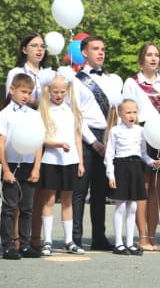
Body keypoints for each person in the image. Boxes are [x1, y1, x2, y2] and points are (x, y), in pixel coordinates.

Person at [123, 42, 160, 251]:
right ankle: (142, 237)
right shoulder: (132, 82)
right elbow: (129, 112)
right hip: (143, 135)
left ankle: (153, 236)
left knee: (156, 189)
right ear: (141, 58)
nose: (153, 58)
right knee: (143, 189)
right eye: (149, 55)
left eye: (156, 55)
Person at [72, 36, 123, 250]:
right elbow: (76, 116)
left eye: (103, 49)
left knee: (100, 191)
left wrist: (113, 139)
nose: (101, 52)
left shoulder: (113, 80)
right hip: (86, 138)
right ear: (84, 52)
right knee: (80, 190)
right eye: (95, 49)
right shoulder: (76, 81)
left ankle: (99, 237)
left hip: (108, 134)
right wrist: (93, 142)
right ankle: (74, 237)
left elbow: (116, 111)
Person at [5, 33, 48, 250]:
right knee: (12, 202)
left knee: (31, 200)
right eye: (34, 45)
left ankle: (29, 240)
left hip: (36, 146)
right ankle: (10, 242)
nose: (39, 50)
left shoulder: (48, 74)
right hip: (16, 148)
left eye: (42, 46)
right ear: (24, 49)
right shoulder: (17, 73)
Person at [36, 67, 85, 256]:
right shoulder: (44, 110)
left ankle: (68, 240)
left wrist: (80, 162)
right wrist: (56, 144)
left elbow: (77, 137)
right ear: (49, 90)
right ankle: (47, 240)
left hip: (70, 160)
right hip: (50, 160)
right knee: (48, 199)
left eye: (62, 92)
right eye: (55, 91)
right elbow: (41, 138)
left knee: (67, 200)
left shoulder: (71, 110)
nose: (58, 95)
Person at [104, 98, 160, 255]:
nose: (132, 115)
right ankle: (119, 243)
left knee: (133, 206)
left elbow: (142, 153)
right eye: (128, 112)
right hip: (121, 167)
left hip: (136, 168)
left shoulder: (141, 131)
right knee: (121, 205)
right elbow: (109, 155)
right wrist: (110, 174)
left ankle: (130, 242)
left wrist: (152, 162)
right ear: (120, 114)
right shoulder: (115, 130)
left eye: (135, 112)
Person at [0, 73, 44, 259]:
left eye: (29, 92)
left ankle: (25, 245)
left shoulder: (34, 115)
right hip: (11, 164)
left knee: (27, 207)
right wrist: (6, 170)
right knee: (10, 207)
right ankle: (9, 245)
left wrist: (36, 167)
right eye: (23, 91)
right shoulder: (5, 114)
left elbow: (38, 142)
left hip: (28, 164)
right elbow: (1, 143)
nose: (26, 96)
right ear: (12, 90)